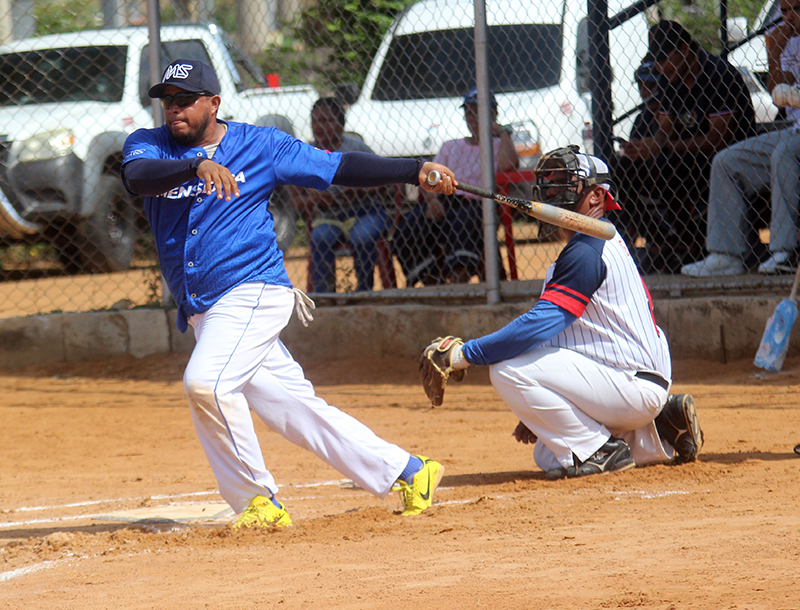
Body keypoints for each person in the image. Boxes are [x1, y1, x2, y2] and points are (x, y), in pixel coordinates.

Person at [120, 59, 458, 528]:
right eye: (167, 100)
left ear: (213, 103)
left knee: (206, 384)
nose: (173, 108)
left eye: (185, 99)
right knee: (295, 410)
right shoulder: (149, 145)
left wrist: (413, 169)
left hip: (251, 290)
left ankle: (258, 501)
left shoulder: (260, 145)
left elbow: (337, 166)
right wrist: (196, 165)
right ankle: (409, 472)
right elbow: (137, 178)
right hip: (205, 309)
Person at [421, 146, 704, 479]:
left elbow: (541, 324)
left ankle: (601, 452)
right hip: (630, 379)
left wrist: (464, 354)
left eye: (566, 183)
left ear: (597, 196)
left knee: (507, 370)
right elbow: (559, 335)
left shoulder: (586, 251)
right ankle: (660, 430)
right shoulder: (594, 243)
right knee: (549, 453)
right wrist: (540, 408)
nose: (553, 192)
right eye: (550, 183)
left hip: (629, 383)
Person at [619, 20, 755, 273]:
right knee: (620, 168)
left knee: (666, 165)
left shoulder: (717, 74)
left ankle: (689, 244)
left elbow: (718, 139)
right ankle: (663, 241)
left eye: (664, 59)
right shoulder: (671, 79)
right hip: (683, 157)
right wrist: (648, 145)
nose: (659, 67)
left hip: (724, 159)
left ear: (684, 50)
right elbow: (665, 129)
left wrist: (664, 148)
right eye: (656, 60)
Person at [681, 0, 800, 277]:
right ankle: (726, 255)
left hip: (792, 142)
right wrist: (774, 54)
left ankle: (784, 252)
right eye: (784, 10)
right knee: (726, 162)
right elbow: (778, 95)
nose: (789, 17)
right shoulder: (788, 38)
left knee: (784, 152)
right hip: (795, 130)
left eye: (797, 9)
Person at [393, 88, 519, 285]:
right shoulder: (450, 146)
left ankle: (460, 285)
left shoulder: (497, 145)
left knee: (462, 225)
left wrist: (503, 132)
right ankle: (434, 285)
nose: (474, 118)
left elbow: (508, 165)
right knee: (408, 227)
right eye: (469, 113)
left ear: (493, 114)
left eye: (479, 112)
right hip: (444, 199)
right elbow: (429, 177)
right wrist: (432, 201)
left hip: (477, 203)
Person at [290, 97, 392, 293]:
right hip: (329, 217)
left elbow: (387, 182)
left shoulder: (356, 149)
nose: (320, 127)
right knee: (321, 237)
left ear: (341, 124)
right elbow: (295, 200)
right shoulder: (306, 154)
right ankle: (324, 295)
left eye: (327, 121)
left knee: (362, 237)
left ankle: (364, 292)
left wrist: (359, 190)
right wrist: (316, 199)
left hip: (366, 212)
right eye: (316, 121)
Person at [611, 56, 662, 255]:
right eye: (641, 87)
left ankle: (661, 237)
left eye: (651, 86)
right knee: (617, 168)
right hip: (644, 175)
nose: (645, 92)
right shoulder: (643, 117)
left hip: (669, 170)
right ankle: (631, 233)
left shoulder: (675, 111)